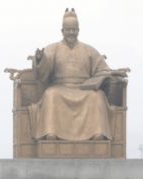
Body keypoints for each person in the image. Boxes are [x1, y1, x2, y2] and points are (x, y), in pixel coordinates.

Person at [28, 8, 120, 141]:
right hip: (60, 87)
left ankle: (98, 134)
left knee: (97, 96)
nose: (71, 33)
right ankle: (51, 133)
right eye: (68, 30)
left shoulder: (89, 50)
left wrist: (105, 76)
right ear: (62, 31)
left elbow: (102, 70)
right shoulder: (53, 48)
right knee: (50, 94)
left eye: (74, 30)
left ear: (78, 30)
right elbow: (43, 72)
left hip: (83, 89)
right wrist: (40, 59)